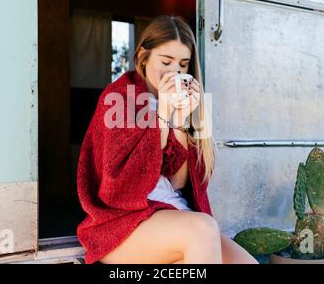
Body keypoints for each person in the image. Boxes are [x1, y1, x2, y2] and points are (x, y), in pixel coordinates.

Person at [76, 15, 258, 264]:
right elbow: (121, 189)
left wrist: (182, 120)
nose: (175, 72)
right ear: (143, 56)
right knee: (203, 229)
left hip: (172, 215)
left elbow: (177, 181)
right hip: (121, 222)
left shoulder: (186, 102)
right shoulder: (120, 97)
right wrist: (162, 115)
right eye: (166, 61)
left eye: (183, 65)